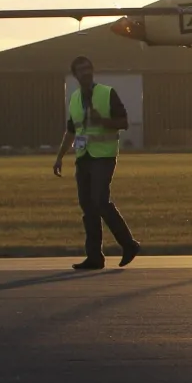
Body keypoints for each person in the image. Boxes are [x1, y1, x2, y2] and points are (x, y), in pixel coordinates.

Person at [53, 56, 140, 270]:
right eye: (81, 70)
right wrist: (59, 156)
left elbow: (124, 122)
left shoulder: (106, 93)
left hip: (103, 155)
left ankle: (128, 244)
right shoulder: (74, 98)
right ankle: (94, 256)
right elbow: (72, 130)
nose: (86, 72)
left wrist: (103, 121)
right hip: (83, 157)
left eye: (88, 68)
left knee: (100, 200)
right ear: (75, 75)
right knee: (88, 205)